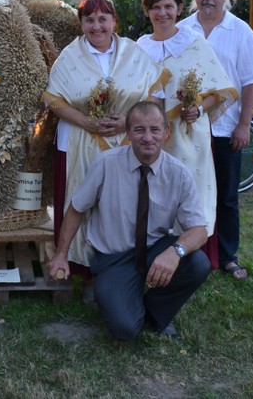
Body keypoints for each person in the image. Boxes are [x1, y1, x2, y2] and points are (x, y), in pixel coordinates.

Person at [47, 101, 210, 341]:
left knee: (198, 264)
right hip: (114, 258)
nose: (147, 138)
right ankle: (122, 300)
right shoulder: (106, 163)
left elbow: (199, 230)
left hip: (155, 249)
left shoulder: (179, 173)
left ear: (167, 133)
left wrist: (173, 253)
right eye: (139, 130)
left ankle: (155, 314)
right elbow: (76, 209)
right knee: (124, 329)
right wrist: (61, 254)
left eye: (155, 130)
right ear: (128, 133)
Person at [43, 0, 165, 294]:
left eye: (103, 19)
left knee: (119, 205)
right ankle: (83, 270)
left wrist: (128, 121)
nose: (96, 26)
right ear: (81, 24)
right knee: (81, 201)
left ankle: (118, 267)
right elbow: (54, 101)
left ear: (114, 22)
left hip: (126, 140)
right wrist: (86, 122)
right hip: (78, 140)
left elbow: (154, 96)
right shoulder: (69, 56)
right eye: (89, 20)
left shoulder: (134, 53)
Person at [178, 0, 253, 280]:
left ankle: (228, 255)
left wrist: (244, 125)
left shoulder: (240, 31)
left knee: (227, 196)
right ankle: (190, 252)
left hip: (225, 129)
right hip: (188, 130)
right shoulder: (182, 30)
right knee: (189, 193)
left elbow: (252, 81)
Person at [136, 0, 237, 265]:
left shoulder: (194, 43)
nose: (162, 13)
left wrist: (199, 110)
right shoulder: (139, 47)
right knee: (154, 192)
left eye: (168, 6)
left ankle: (192, 258)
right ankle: (154, 256)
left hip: (187, 136)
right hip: (150, 138)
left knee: (189, 192)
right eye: (155, 7)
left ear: (179, 8)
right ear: (147, 12)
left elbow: (220, 90)